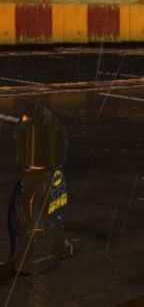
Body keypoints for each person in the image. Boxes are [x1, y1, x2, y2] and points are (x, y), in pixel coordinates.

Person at [8, 106, 73, 274]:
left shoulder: (29, 128)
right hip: (44, 171)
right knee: (38, 215)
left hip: (40, 171)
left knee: (46, 214)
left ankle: (48, 247)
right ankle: (28, 256)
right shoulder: (52, 128)